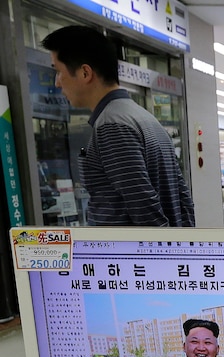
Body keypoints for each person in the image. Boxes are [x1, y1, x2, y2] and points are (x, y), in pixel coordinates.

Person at [41, 26, 195, 227]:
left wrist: (160, 255)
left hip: (127, 257)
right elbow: (183, 199)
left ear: (85, 73)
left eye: (59, 72)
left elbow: (144, 209)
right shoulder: (145, 118)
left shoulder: (112, 125)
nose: (58, 83)